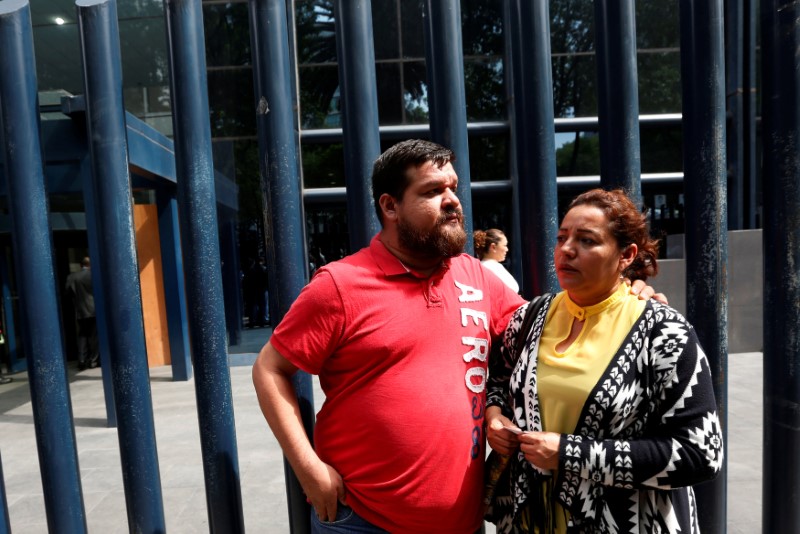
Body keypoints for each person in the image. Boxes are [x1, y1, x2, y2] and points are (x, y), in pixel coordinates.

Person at [252, 141, 659, 533]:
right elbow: (270, 368)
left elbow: (545, 334)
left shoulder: (475, 276)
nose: (452, 200)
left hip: (461, 523)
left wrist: (626, 295)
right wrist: (309, 470)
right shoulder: (341, 285)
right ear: (390, 206)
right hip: (362, 520)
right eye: (432, 191)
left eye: (453, 188)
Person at [485, 188, 723, 533]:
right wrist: (495, 417)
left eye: (587, 241)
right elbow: (499, 378)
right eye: (562, 238)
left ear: (626, 255)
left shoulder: (663, 332)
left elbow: (700, 455)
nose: (567, 250)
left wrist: (571, 454)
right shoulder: (530, 317)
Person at [65, 256, 99, 370]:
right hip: (94, 310)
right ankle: (93, 360)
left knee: (82, 335)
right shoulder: (94, 275)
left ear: (81, 265)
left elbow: (67, 293)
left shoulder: (72, 277)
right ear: (91, 265)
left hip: (80, 311)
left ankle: (82, 360)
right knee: (93, 336)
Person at [474, 228, 519, 293]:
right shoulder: (487, 268)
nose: (507, 249)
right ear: (493, 247)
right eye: (505, 245)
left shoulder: (493, 266)